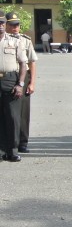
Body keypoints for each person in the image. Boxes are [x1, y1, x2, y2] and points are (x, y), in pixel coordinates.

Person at [5, 13, 37, 154]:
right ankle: (9, 141)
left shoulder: (25, 40)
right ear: (6, 25)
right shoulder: (3, 40)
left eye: (17, 25)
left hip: (24, 76)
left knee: (23, 112)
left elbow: (32, 61)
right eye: (12, 25)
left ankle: (23, 142)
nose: (15, 28)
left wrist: (32, 83)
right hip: (8, 76)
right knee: (9, 112)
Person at [0, 11, 27, 162]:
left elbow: (23, 63)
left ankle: (12, 150)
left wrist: (20, 84)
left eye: (2, 23)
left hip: (10, 80)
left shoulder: (16, 41)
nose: (1, 26)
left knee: (12, 117)